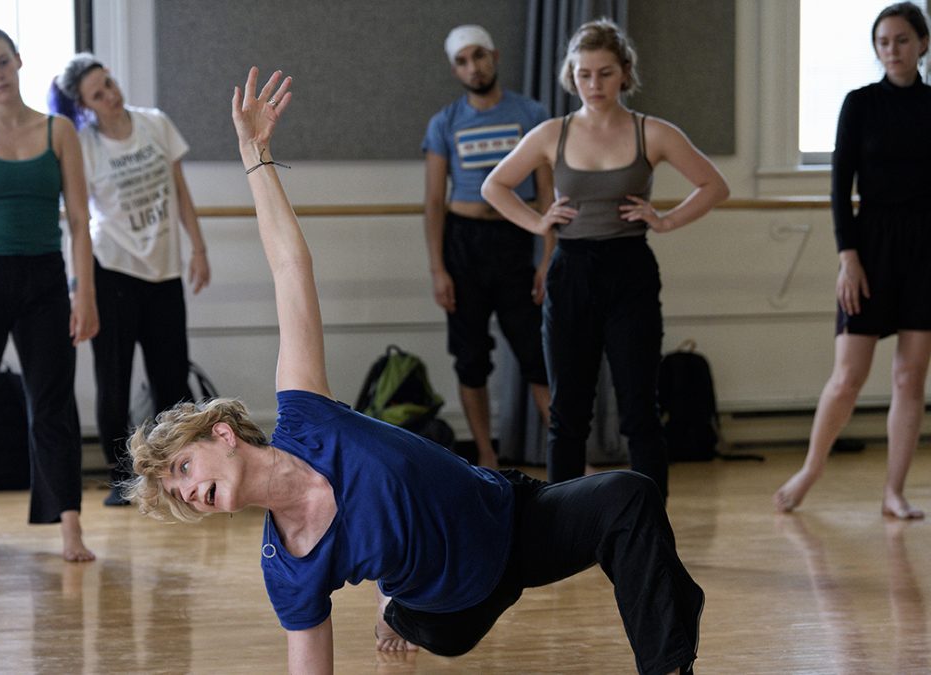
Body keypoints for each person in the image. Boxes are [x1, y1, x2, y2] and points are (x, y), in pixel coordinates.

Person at [127, 67, 703, 675]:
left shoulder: (306, 414)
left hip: (513, 519)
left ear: (221, 433)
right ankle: (394, 608)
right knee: (421, 610)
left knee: (630, 497)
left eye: (183, 467)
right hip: (446, 611)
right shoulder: (287, 563)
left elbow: (290, 270)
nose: (188, 490)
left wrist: (255, 155)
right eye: (177, 492)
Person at [482, 19, 728, 499]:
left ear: (624, 73)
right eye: (584, 74)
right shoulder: (552, 133)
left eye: (605, 73)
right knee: (569, 412)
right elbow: (495, 185)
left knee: (639, 410)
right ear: (570, 76)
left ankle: (649, 525)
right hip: (571, 271)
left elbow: (715, 184)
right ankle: (563, 529)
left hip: (630, 270)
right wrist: (538, 223)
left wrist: (666, 221)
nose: (594, 85)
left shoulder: (651, 132)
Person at [0, 27, 99, 561]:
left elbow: (79, 221)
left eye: (2, 62)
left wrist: (85, 294)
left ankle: (69, 524)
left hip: (44, 282)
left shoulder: (58, 132)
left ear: (18, 61)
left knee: (53, 406)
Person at [774, 2, 931, 520]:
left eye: (902, 40)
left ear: (923, 44)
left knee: (911, 378)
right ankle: (811, 469)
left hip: (925, 250)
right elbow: (840, 187)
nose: (892, 50)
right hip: (869, 245)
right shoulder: (859, 103)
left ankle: (894, 491)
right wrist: (849, 258)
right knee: (848, 376)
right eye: (884, 41)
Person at [48, 53, 211, 507]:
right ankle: (123, 479)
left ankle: (180, 472)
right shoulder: (83, 144)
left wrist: (197, 247)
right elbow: (78, 219)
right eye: (98, 94)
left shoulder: (155, 124)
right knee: (113, 380)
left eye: (110, 83)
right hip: (111, 272)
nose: (111, 95)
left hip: (164, 270)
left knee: (171, 378)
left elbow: (180, 190)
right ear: (84, 105)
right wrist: (80, 288)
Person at [423, 25, 553, 469]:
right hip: (464, 245)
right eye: (462, 61)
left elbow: (548, 194)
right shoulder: (445, 122)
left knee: (539, 354)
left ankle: (567, 461)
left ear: (494, 56)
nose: (472, 67)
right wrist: (438, 268)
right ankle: (485, 458)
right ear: (454, 68)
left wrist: (548, 257)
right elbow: (434, 202)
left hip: (517, 241)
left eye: (478, 56)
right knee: (471, 357)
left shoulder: (530, 114)